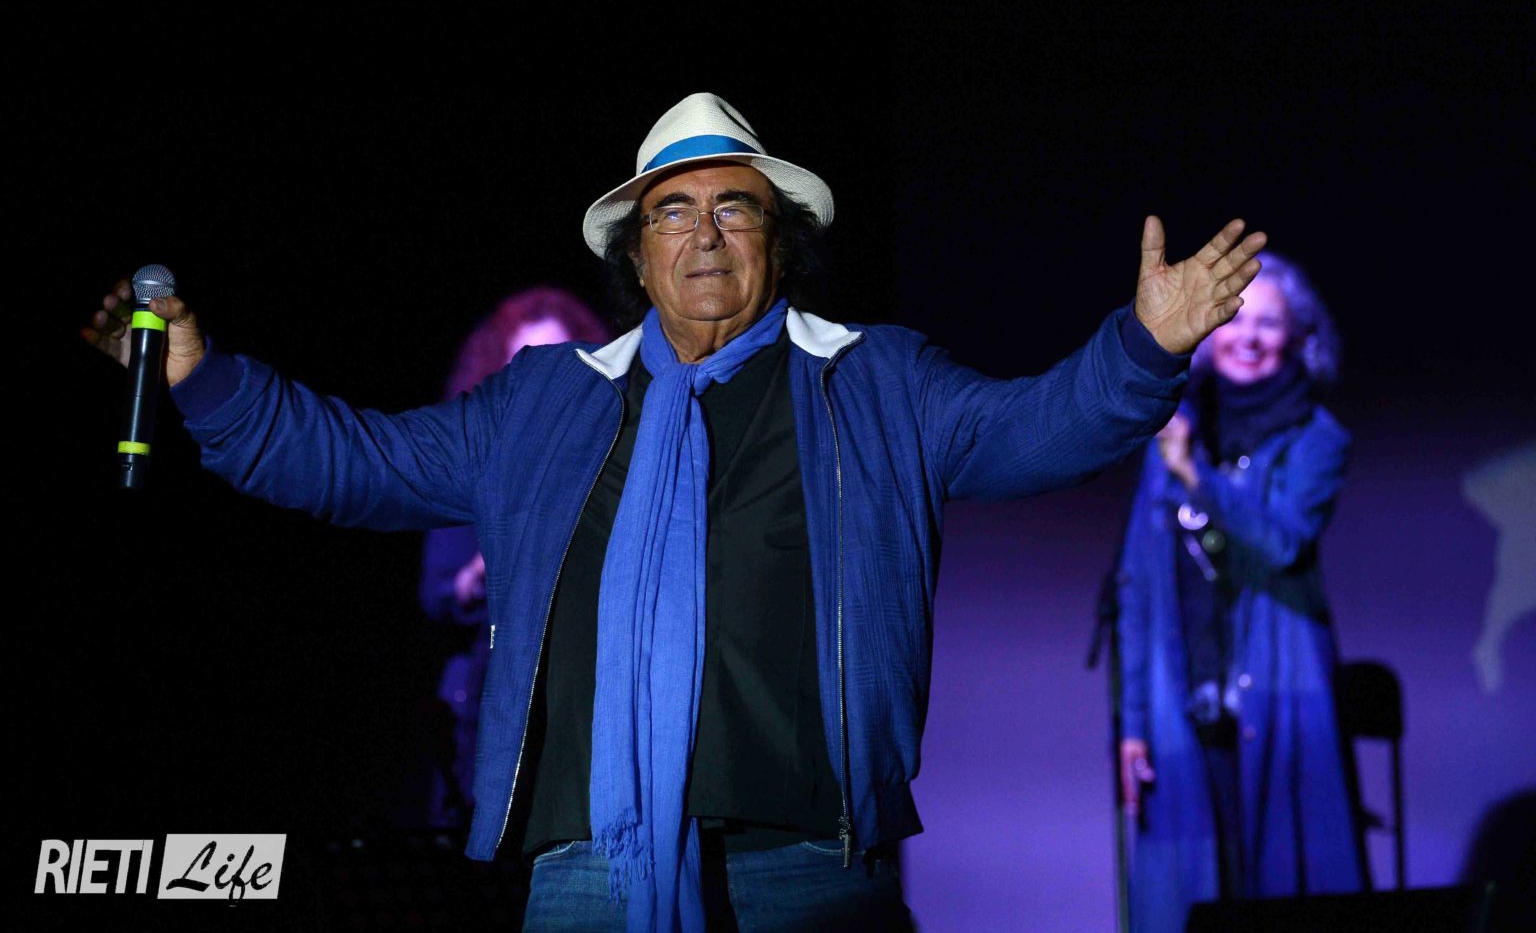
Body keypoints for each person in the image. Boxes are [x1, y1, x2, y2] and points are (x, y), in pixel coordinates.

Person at [85, 92, 1265, 932]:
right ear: (638, 256)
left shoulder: (874, 380)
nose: (703, 233)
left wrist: (1144, 345)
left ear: (779, 244)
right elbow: (350, 461)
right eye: (672, 211)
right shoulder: (545, 403)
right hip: (588, 876)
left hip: (808, 870)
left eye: (735, 208)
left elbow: (1036, 430)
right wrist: (199, 376)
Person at [1114, 253, 1364, 933]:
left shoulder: (1317, 440)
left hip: (1280, 691)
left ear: (1298, 338)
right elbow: (1137, 585)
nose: (1248, 337)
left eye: (1269, 323)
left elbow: (1283, 544)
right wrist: (1133, 724)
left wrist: (1197, 476)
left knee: (1278, 889)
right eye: (1234, 319)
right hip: (1181, 699)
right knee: (1190, 895)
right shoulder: (1174, 432)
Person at [420, 288, 608, 828]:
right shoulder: (473, 462)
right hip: (486, 700)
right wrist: (479, 574)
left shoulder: (612, 456)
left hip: (585, 703)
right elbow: (437, 592)